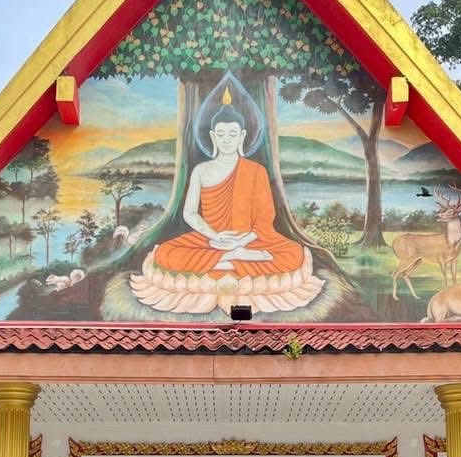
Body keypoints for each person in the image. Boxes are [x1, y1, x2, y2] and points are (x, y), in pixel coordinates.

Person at [129, 94, 324, 315]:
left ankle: (225, 260)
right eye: (221, 134)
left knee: (293, 253)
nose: (227, 139)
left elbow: (264, 220)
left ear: (242, 136)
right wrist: (215, 237)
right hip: (210, 239)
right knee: (166, 252)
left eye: (232, 134)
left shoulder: (256, 171)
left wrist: (244, 240)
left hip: (250, 240)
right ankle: (231, 258)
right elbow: (190, 214)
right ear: (212, 136)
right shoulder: (201, 170)